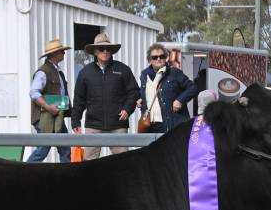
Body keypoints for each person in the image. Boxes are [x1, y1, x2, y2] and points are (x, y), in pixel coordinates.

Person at [69, 32, 140, 160]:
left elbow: (134, 92)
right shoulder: (85, 72)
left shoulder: (123, 69)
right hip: (93, 126)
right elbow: (79, 99)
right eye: (102, 49)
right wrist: (75, 120)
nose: (105, 51)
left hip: (118, 125)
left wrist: (127, 109)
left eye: (108, 49)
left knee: (123, 163)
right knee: (88, 166)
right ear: (95, 51)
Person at [26, 38, 72, 163]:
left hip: (56, 116)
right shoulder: (43, 72)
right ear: (54, 54)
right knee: (43, 149)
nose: (64, 53)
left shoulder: (56, 71)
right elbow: (34, 93)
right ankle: (24, 173)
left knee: (65, 148)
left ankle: (66, 176)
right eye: (61, 51)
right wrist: (48, 107)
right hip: (45, 117)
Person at [137, 42, 196, 134]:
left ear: (166, 58)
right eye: (155, 57)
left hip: (169, 125)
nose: (159, 59)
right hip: (149, 126)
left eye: (162, 56)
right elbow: (144, 93)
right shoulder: (144, 76)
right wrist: (140, 98)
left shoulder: (174, 73)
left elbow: (192, 87)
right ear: (150, 60)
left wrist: (180, 100)